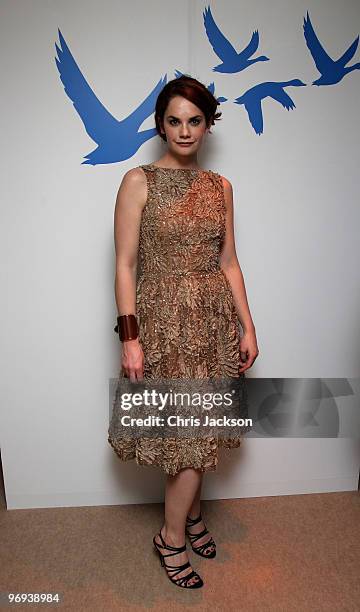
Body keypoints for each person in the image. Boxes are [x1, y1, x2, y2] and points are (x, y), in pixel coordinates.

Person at [108, 75, 259, 589]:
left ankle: (190, 519)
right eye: (174, 121)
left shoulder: (221, 187)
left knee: (201, 432)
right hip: (164, 323)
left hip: (212, 322)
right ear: (160, 125)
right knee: (185, 437)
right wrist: (130, 336)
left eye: (194, 121)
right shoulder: (138, 181)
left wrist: (248, 325)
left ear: (208, 124)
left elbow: (230, 262)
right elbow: (125, 265)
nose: (185, 130)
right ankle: (170, 539)